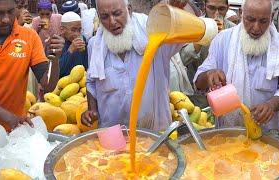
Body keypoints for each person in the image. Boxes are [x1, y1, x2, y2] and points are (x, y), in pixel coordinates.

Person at [82, 0, 217, 131]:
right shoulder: (95, 45)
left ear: (129, 10)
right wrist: (92, 109)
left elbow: (191, 32)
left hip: (155, 136)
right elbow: (92, 81)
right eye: (104, 17)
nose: (112, 22)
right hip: (114, 139)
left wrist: (177, 9)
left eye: (117, 14)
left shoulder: (154, 34)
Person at [0, 0, 64, 145]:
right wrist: (9, 117)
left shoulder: (29, 37)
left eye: (11, 11)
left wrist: (54, 60)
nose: (6, 19)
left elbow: (48, 84)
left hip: (13, 131)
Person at [194, 0, 279, 132]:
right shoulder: (222, 40)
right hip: (229, 135)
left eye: (263, 21)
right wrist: (208, 75)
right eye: (250, 19)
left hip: (270, 135)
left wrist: (271, 105)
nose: (256, 27)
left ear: (271, 17)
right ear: (241, 13)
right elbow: (198, 83)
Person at [179, 0, 235, 108]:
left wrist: (222, 38)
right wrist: (202, 39)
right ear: (205, 7)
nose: (216, 14)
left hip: (225, 98)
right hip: (197, 100)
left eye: (221, 9)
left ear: (228, 8)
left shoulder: (233, 30)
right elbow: (181, 60)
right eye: (212, 8)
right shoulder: (193, 25)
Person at [59, 11, 88, 77]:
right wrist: (70, 51)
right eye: (73, 30)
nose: (77, 34)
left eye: (79, 30)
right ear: (62, 29)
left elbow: (86, 64)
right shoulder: (56, 43)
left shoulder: (82, 39)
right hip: (63, 84)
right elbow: (56, 72)